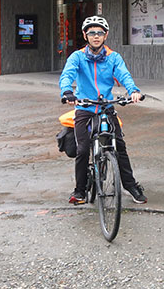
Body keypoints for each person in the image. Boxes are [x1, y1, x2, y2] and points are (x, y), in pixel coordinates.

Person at [59, 15, 147, 205]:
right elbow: (67, 75)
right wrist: (67, 92)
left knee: (120, 147)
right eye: (92, 33)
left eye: (100, 33)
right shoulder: (78, 57)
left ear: (105, 35)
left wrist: (133, 91)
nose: (96, 36)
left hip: (106, 107)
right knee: (83, 149)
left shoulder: (113, 57)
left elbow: (124, 75)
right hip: (84, 107)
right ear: (85, 35)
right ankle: (80, 191)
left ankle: (131, 186)